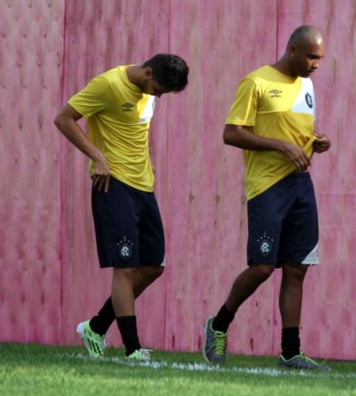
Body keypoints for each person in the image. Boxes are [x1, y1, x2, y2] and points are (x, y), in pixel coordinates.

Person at [202, 25, 331, 370]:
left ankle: (290, 352)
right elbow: (231, 133)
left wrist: (316, 141)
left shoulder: (307, 85)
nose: (316, 64)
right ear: (292, 49)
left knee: (297, 268)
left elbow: (295, 133)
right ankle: (218, 324)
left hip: (301, 185)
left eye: (320, 58)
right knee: (262, 267)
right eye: (311, 56)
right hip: (267, 187)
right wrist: (280, 146)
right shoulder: (256, 82)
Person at [54, 54, 189, 360]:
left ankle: (96, 327)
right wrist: (97, 156)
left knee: (153, 266)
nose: (158, 96)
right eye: (158, 90)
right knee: (125, 267)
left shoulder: (148, 90)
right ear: (148, 72)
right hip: (112, 185)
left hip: (144, 187)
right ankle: (133, 349)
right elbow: (63, 119)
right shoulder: (108, 85)